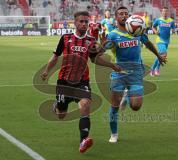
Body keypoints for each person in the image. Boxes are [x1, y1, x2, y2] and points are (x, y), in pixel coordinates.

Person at [41, 11, 121, 153]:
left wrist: (111, 65)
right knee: (61, 115)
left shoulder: (90, 40)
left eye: (86, 21)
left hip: (82, 81)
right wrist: (47, 71)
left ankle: (83, 140)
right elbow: (55, 56)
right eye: (81, 21)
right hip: (64, 82)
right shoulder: (66, 38)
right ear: (75, 23)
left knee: (85, 105)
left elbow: (95, 58)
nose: (84, 24)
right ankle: (58, 105)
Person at [104, 6, 166, 143]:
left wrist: (158, 55)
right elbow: (102, 48)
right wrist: (102, 42)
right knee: (114, 106)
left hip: (136, 72)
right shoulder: (113, 35)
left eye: (126, 13)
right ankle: (114, 134)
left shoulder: (137, 30)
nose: (124, 15)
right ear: (116, 17)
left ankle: (126, 96)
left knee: (136, 106)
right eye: (120, 14)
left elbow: (148, 42)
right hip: (119, 73)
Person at [150, 7, 175, 76]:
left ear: (168, 12)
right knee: (163, 54)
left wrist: (173, 30)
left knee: (161, 56)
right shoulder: (158, 20)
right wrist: (155, 31)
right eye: (163, 11)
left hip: (167, 40)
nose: (165, 13)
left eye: (166, 11)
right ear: (162, 12)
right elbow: (153, 27)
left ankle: (156, 68)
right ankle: (153, 69)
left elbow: (173, 28)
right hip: (160, 40)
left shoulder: (171, 21)